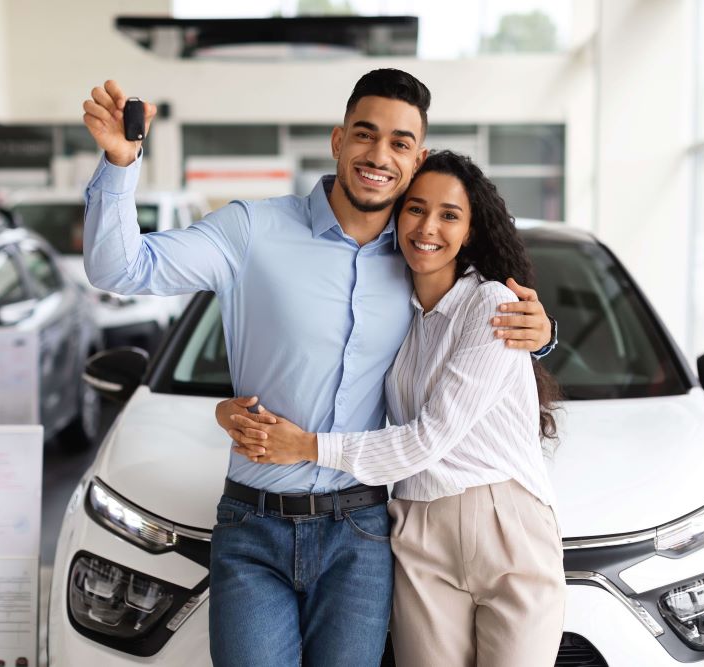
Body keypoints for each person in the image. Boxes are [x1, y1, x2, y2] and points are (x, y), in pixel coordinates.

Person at [80, 69, 557, 666]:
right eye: (365, 133)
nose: (379, 154)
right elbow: (121, 270)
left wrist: (541, 335)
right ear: (338, 141)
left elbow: (467, 334)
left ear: (418, 158)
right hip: (253, 523)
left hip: (362, 531)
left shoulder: (421, 260)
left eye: (400, 142)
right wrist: (121, 166)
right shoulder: (251, 230)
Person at [229, 151, 566, 667]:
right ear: (396, 217)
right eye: (415, 209)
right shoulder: (393, 314)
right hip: (417, 529)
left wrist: (304, 447)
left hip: (505, 528)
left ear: (471, 231)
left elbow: (426, 439)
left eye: (449, 215)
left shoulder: (492, 304)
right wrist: (226, 410)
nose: (428, 227)